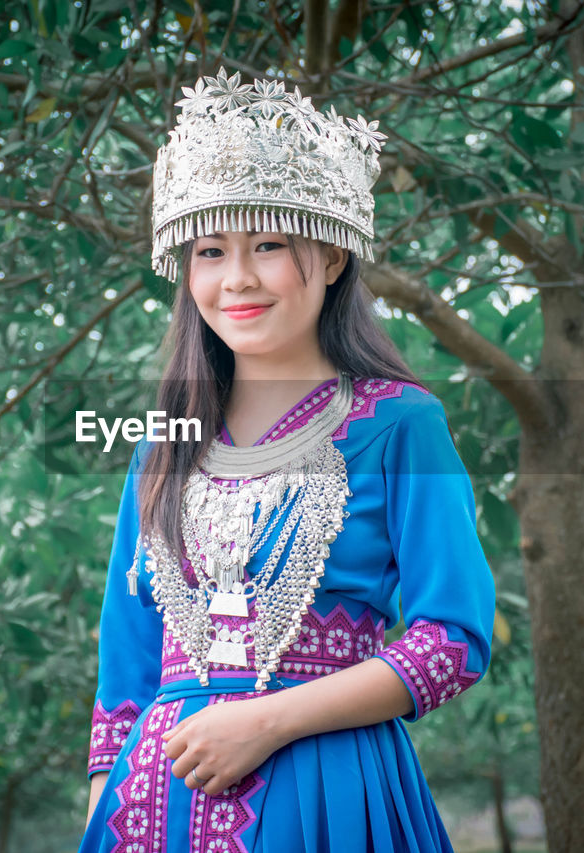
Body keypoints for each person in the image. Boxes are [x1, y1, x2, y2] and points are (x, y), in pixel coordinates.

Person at [78, 67, 495, 852]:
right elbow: (125, 666)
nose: (236, 277)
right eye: (210, 251)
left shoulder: (402, 425)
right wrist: (107, 805)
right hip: (152, 806)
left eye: (269, 243)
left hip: (328, 790)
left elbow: (453, 638)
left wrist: (267, 720)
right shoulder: (163, 447)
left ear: (333, 258)